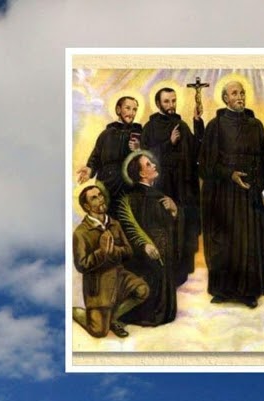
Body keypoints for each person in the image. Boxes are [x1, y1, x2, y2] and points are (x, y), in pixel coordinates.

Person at [199, 80, 264, 308]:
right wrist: (229, 174)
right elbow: (205, 165)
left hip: (251, 194)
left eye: (242, 92)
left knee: (249, 242)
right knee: (226, 241)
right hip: (225, 194)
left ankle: (248, 291)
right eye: (234, 93)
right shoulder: (215, 126)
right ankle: (224, 290)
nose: (240, 96)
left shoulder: (255, 125)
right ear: (225, 99)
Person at [141, 87, 202, 285]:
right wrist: (169, 142)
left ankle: (180, 273)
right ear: (158, 103)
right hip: (162, 187)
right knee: (163, 229)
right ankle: (164, 274)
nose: (171, 105)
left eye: (173, 101)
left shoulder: (182, 125)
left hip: (183, 188)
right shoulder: (150, 128)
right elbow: (144, 157)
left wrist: (197, 122)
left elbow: (196, 152)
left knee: (182, 228)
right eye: (166, 101)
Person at [72, 182, 149, 338]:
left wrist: (113, 251)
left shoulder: (114, 224)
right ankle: (77, 312)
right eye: (94, 198)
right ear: (87, 206)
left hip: (119, 276)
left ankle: (112, 318)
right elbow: (81, 265)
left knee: (143, 290)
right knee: (99, 331)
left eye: (100, 195)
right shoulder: (81, 233)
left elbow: (128, 251)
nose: (100, 199)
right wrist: (101, 252)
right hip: (98, 284)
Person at [118, 152, 178, 326]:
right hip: (146, 253)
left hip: (164, 251)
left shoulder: (158, 194)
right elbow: (128, 229)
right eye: (148, 164)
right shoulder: (134, 197)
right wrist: (143, 245)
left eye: (152, 162)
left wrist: (174, 210)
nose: (154, 165)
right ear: (142, 174)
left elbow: (168, 224)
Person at [76, 97, 142, 210]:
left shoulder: (140, 133)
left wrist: (139, 149)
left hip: (129, 184)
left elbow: (150, 156)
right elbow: (96, 156)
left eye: (134, 109)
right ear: (118, 110)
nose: (131, 113)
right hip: (107, 184)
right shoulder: (106, 134)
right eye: (128, 108)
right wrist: (90, 169)